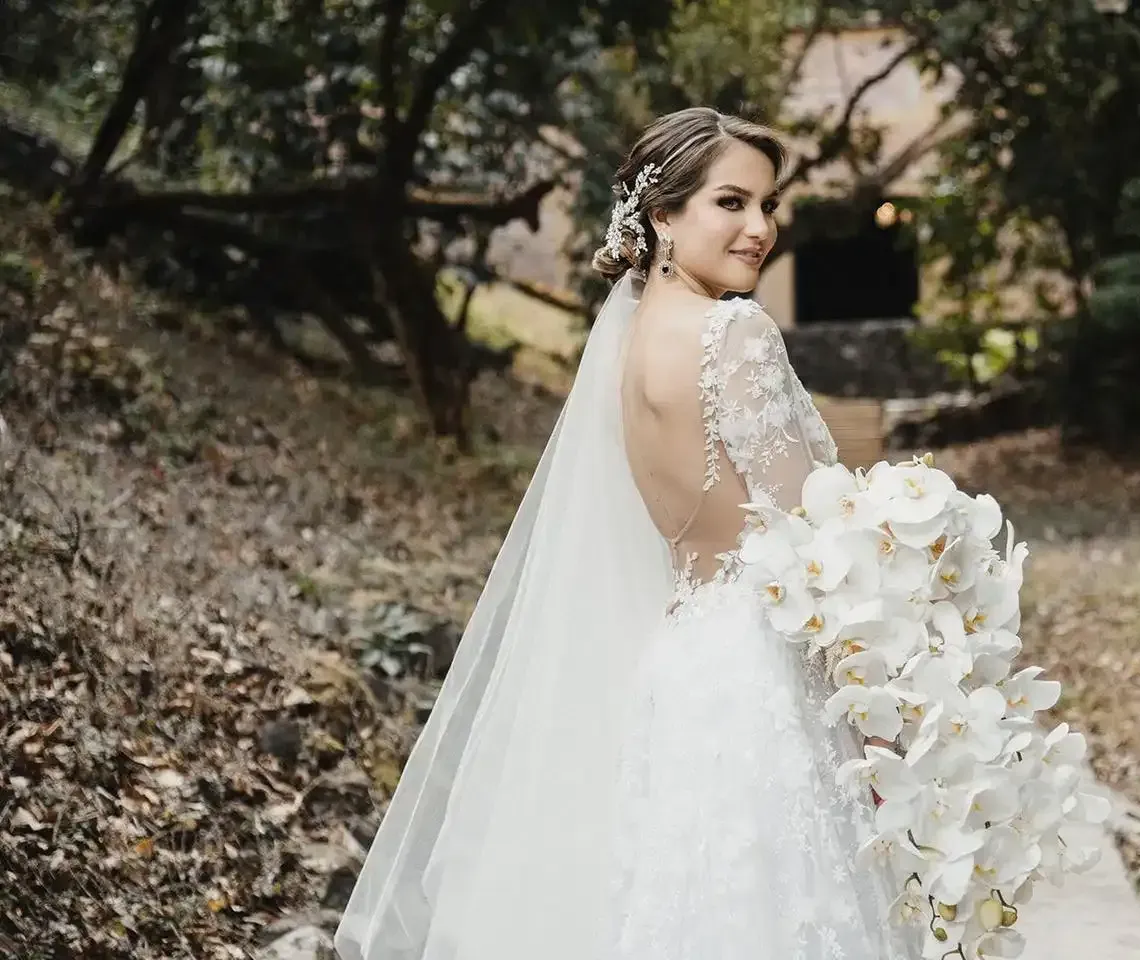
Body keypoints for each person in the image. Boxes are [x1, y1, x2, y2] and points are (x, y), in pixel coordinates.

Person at [335, 107, 914, 960]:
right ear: (663, 216)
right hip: (766, 669)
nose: (760, 228)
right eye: (731, 202)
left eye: (769, 205)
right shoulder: (736, 334)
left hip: (683, 666)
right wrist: (885, 724)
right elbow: (813, 549)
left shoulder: (631, 341)